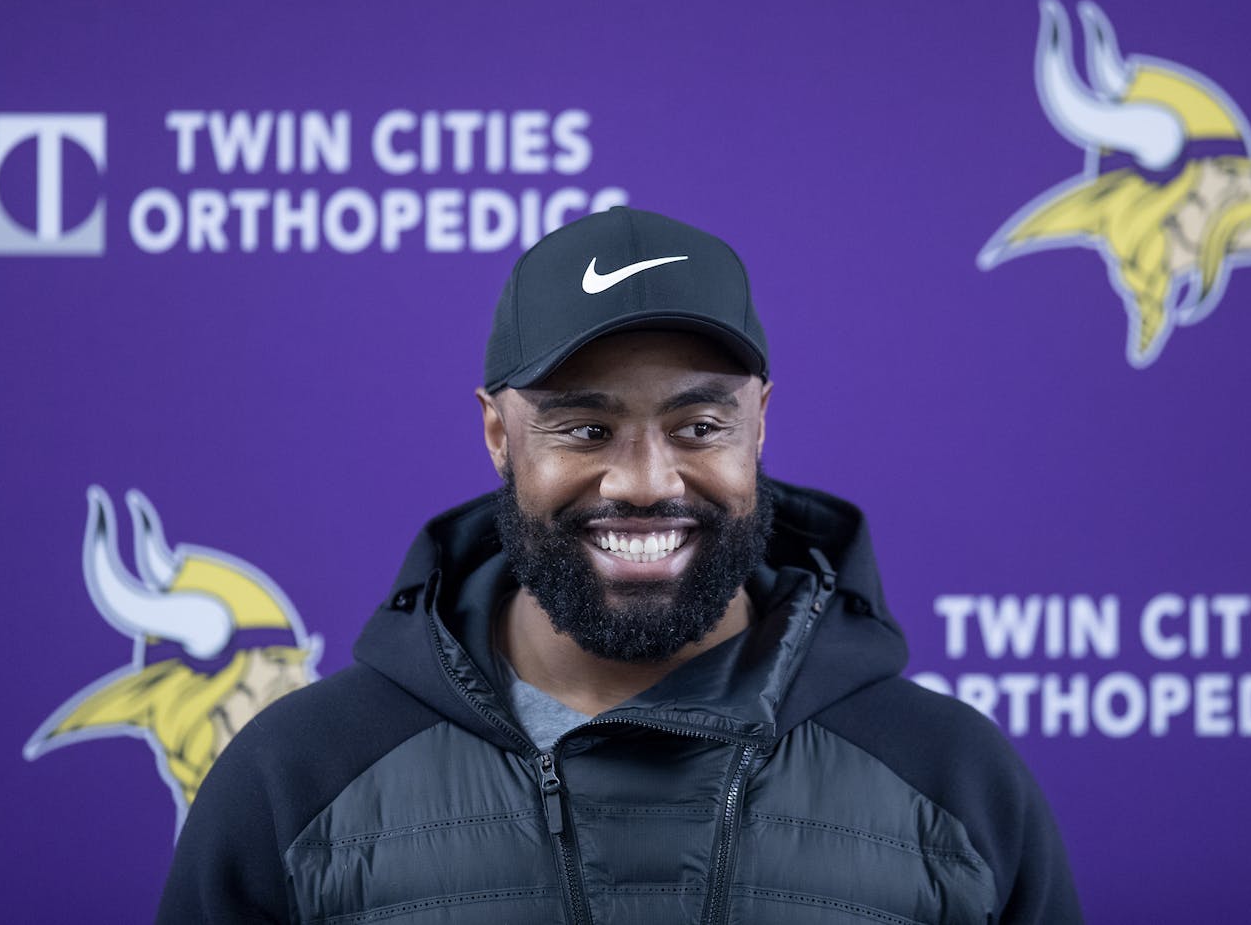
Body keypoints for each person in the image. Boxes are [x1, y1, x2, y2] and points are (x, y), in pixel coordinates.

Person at [158, 207, 1083, 924]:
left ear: (761, 423)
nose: (644, 482)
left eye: (700, 426)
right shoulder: (299, 777)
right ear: (497, 434)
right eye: (587, 427)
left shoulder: (953, 781)